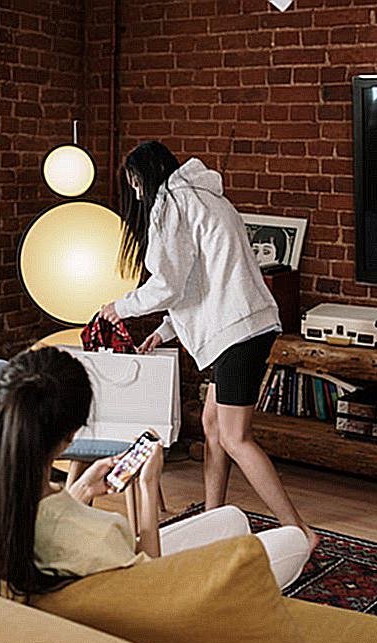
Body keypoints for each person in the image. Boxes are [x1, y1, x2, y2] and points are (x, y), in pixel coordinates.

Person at [99, 141, 317, 551]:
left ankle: (300, 531)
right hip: (243, 326)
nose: (136, 194)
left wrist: (121, 307)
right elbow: (200, 282)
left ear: (143, 177)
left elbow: (168, 284)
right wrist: (164, 332)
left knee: (235, 437)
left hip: (237, 333)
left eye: (134, 184)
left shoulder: (171, 205)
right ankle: (213, 518)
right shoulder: (204, 198)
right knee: (212, 426)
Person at [0, 347, 310, 600]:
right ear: (73, 433)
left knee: (231, 518)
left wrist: (82, 489)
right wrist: (149, 488)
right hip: (158, 609)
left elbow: (45, 522)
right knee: (293, 540)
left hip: (87, 590)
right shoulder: (101, 533)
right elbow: (150, 589)